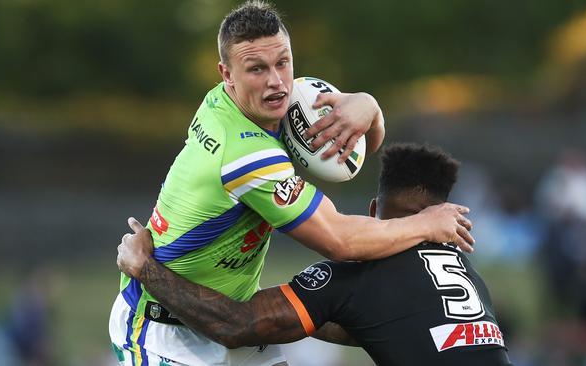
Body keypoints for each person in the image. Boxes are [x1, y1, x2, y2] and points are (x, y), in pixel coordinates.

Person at [109, 1, 475, 365]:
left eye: (282, 62)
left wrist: (368, 106)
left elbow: (356, 155)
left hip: (232, 318)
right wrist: (425, 223)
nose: (276, 81)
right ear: (227, 74)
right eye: (257, 69)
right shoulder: (242, 153)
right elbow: (339, 241)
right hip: (165, 327)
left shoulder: (254, 101)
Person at [118, 143, 510, 366]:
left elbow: (235, 326)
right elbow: (383, 326)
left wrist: (145, 268)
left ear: (373, 211)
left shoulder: (357, 278)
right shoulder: (470, 281)